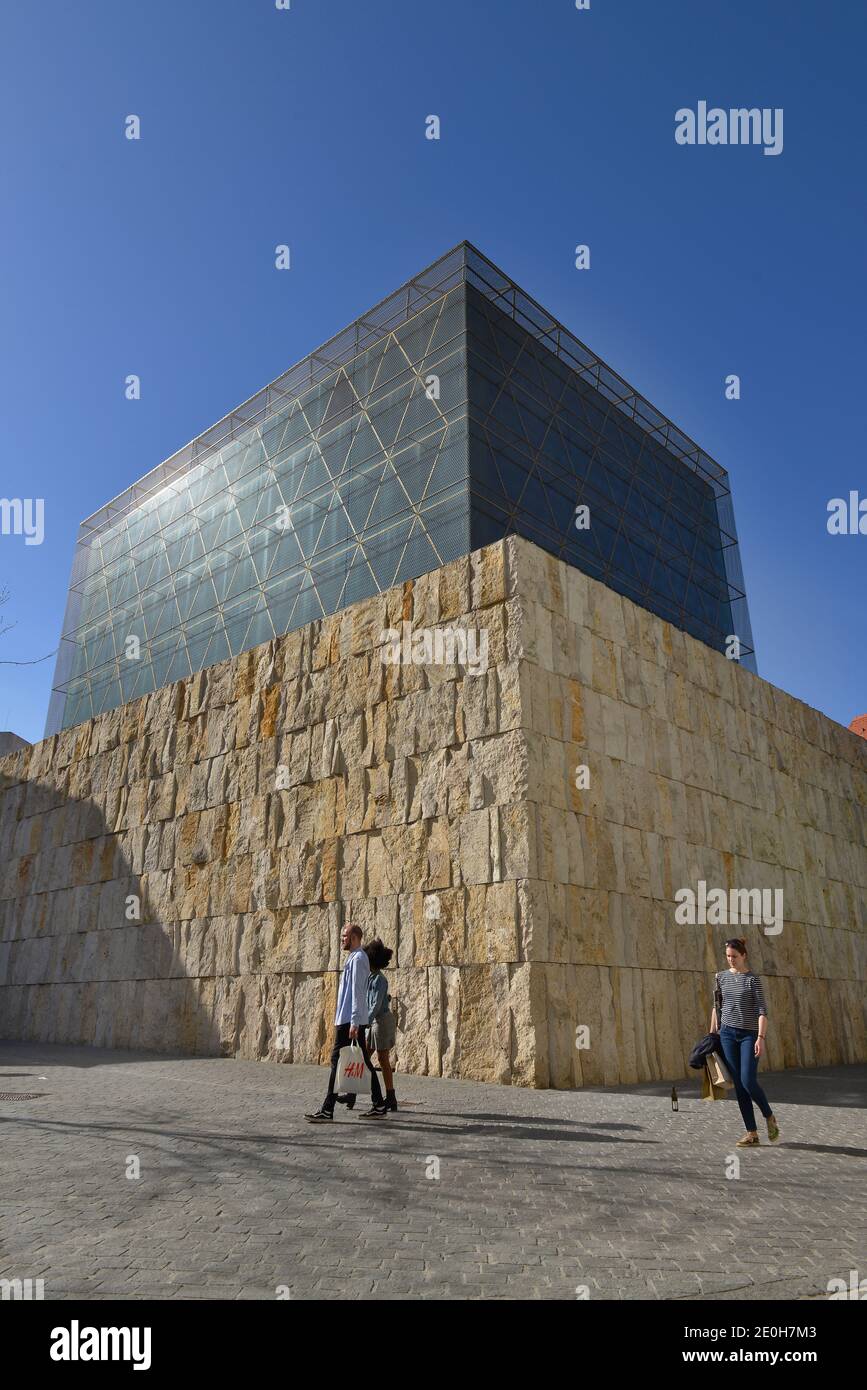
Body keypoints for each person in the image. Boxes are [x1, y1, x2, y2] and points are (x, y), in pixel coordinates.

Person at [305, 924, 387, 1122]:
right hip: (348, 1019)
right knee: (364, 1062)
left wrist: (354, 1022)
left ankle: (327, 1109)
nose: (342, 939)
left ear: (355, 938)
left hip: (350, 1021)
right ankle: (379, 1104)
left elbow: (358, 993)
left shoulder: (359, 959)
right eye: (342, 936)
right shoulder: (354, 957)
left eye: (345, 936)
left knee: (336, 1061)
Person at [710, 937, 780, 1147]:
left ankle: (769, 1116)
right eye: (728, 956)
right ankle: (751, 1133)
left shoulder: (752, 980)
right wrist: (712, 1032)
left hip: (749, 1035)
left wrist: (761, 1037)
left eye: (734, 956)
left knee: (748, 1080)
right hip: (727, 1035)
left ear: (744, 956)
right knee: (739, 1086)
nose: (731, 960)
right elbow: (716, 1007)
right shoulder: (720, 977)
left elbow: (762, 1011)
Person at [365, 938, 397, 1112]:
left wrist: (365, 1021)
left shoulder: (379, 980)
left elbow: (376, 1005)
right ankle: (354, 1093)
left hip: (381, 1022)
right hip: (373, 1023)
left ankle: (390, 1096)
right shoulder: (371, 977)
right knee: (364, 1057)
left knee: (383, 1059)